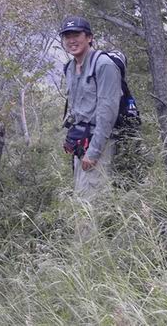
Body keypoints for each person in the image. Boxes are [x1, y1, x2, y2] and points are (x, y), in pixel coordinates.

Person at [60, 16, 122, 203]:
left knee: (90, 204)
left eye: (76, 35)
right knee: (81, 197)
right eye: (67, 36)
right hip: (80, 141)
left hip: (99, 144)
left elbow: (107, 112)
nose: (72, 40)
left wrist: (94, 151)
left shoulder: (104, 65)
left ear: (89, 37)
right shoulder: (70, 67)